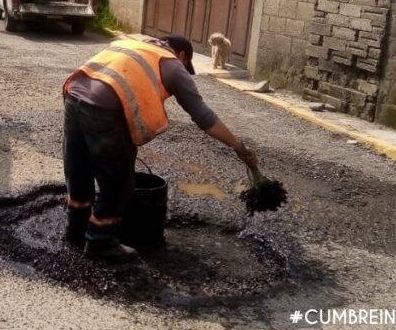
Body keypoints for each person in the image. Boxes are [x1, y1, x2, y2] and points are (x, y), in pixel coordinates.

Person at [62, 34, 258, 261]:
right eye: (186, 65)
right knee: (117, 179)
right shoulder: (173, 65)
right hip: (105, 109)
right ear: (182, 55)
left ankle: (75, 230)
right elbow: (204, 117)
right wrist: (237, 145)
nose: (184, 69)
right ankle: (100, 241)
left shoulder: (131, 43)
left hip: (73, 96)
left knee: (79, 168)